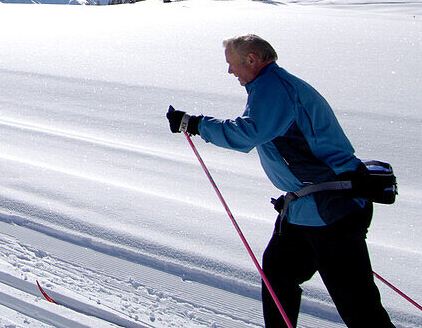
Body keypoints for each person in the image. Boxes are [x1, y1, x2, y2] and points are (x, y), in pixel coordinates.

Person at [167, 34, 393, 327]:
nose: (230, 71)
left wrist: (195, 124)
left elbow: (249, 133)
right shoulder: (268, 86)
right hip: (306, 209)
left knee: (358, 306)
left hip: (331, 211)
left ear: (251, 59)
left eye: (232, 64)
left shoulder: (273, 86)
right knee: (277, 277)